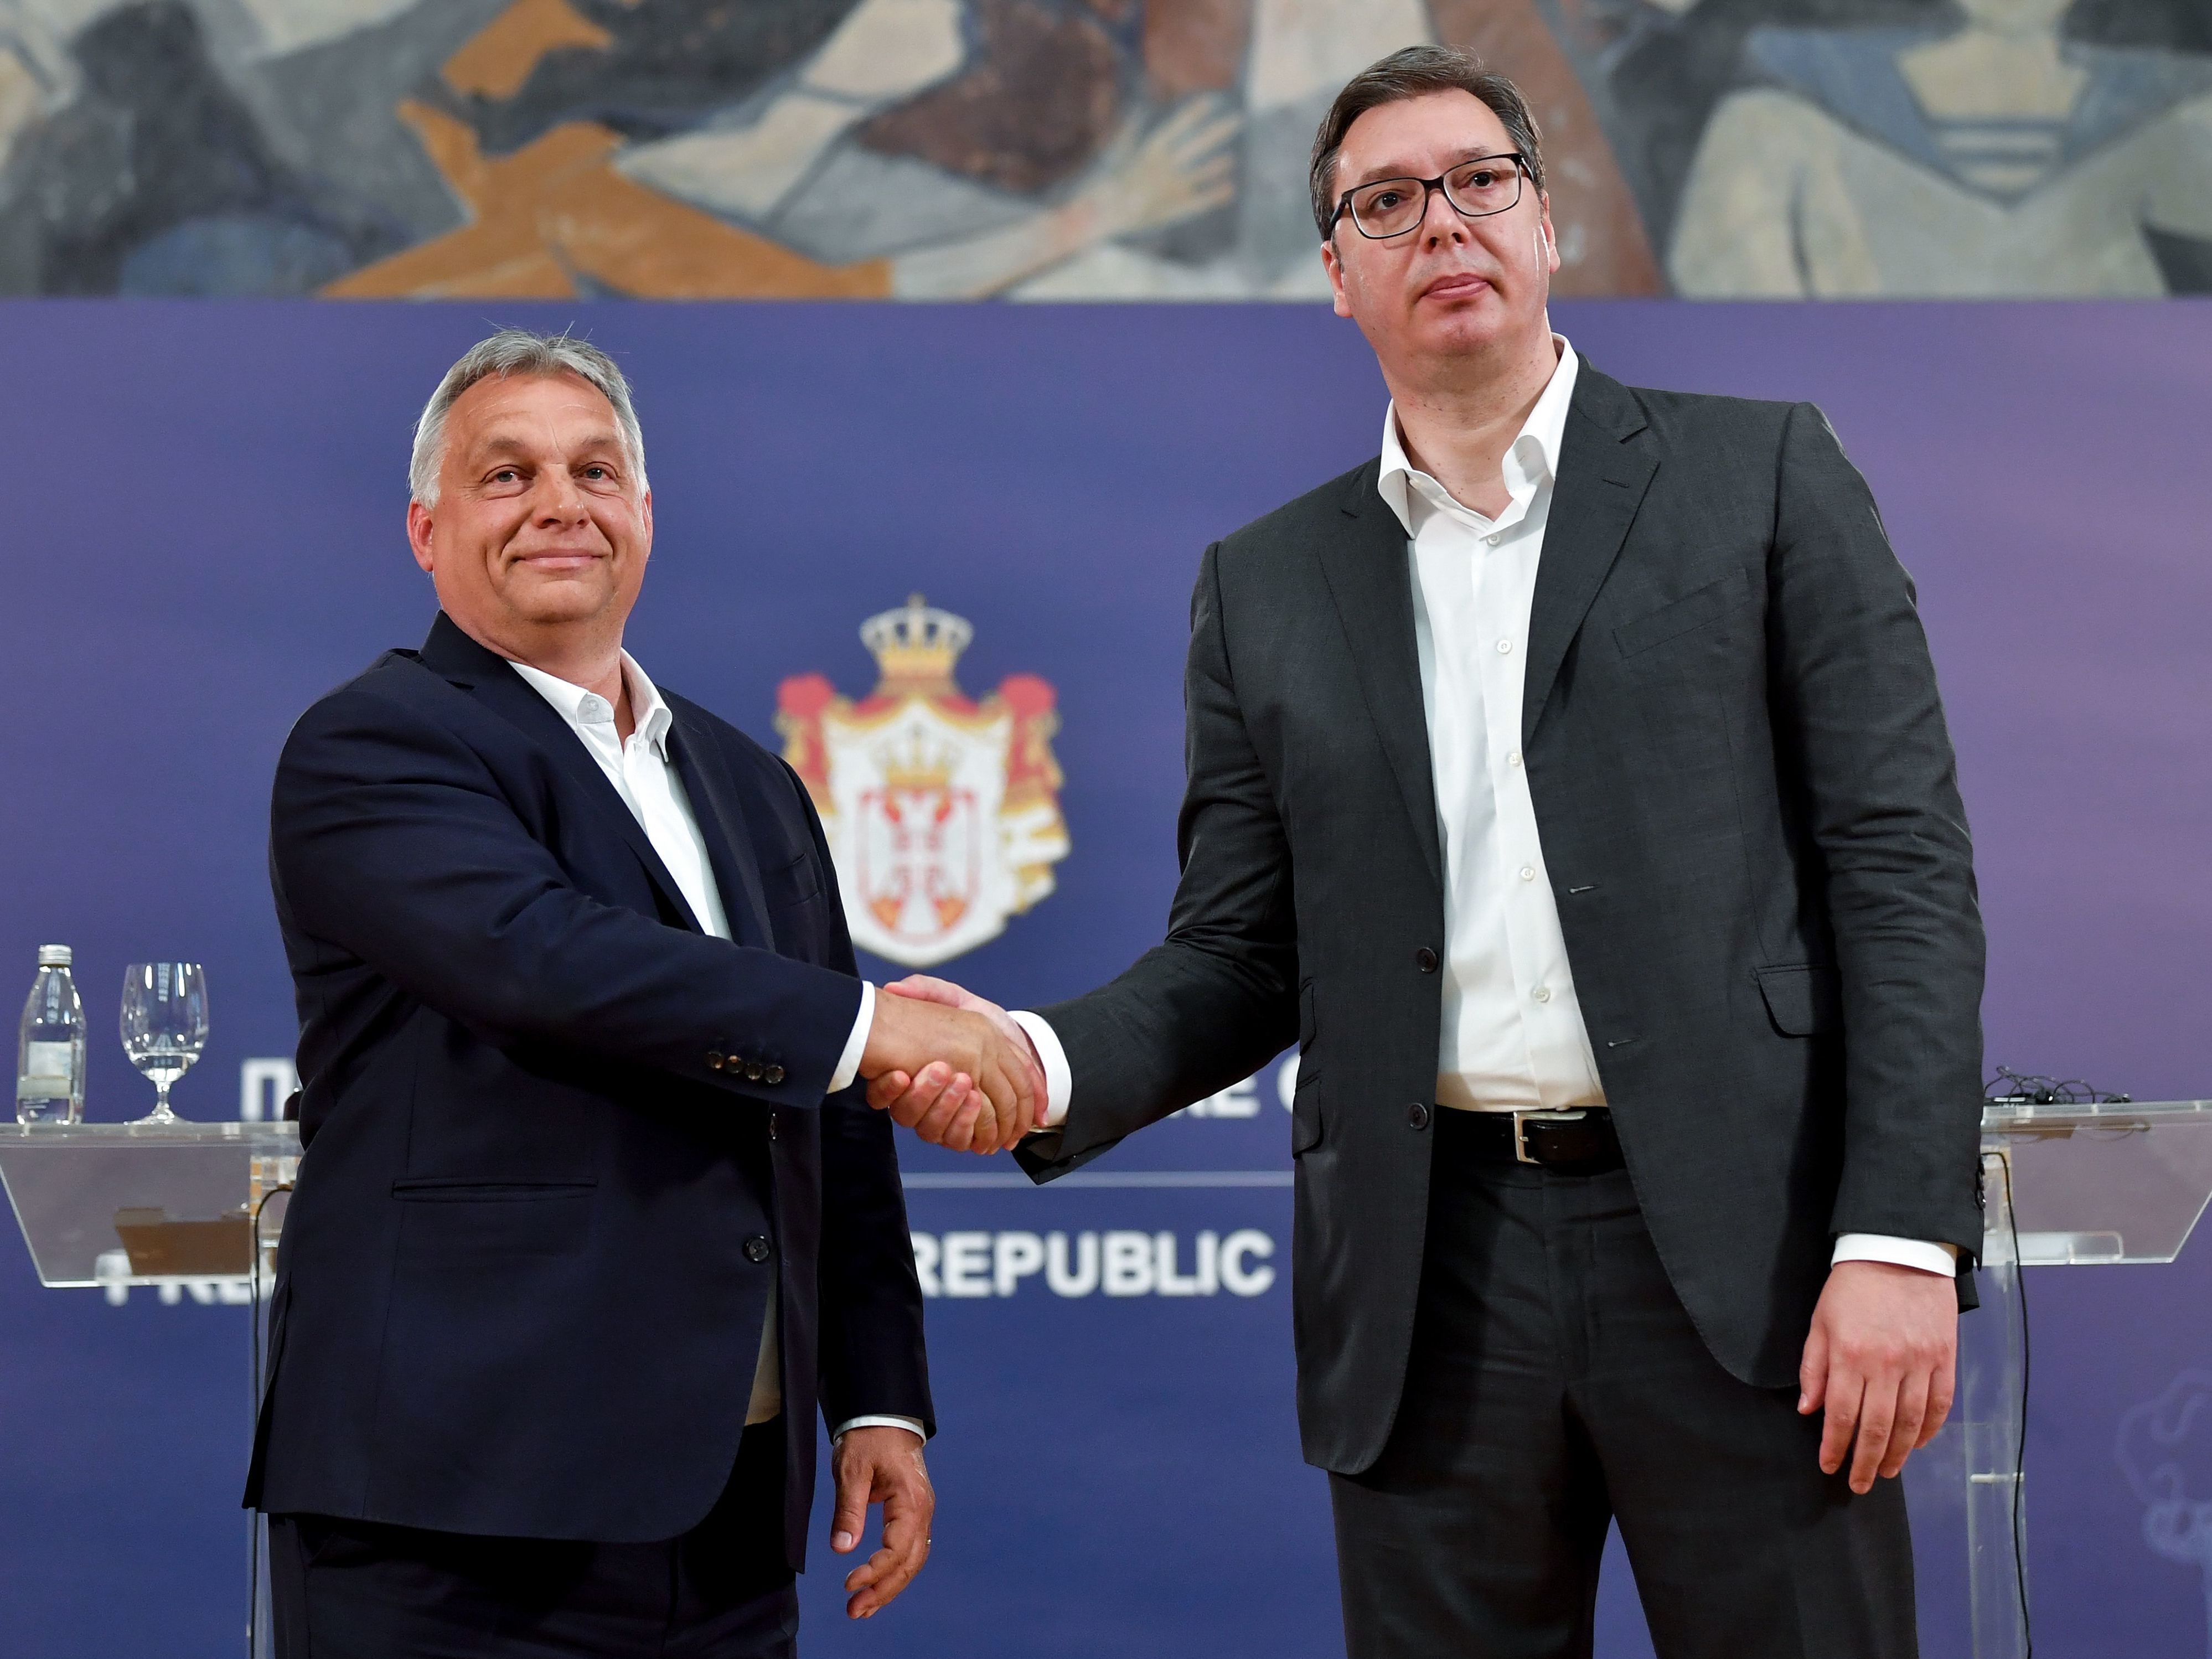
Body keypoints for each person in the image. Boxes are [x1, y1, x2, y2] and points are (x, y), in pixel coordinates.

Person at [869, 45, 1986, 1659]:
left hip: (1752, 1265)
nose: (1440, 223)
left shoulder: (1761, 476)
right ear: (1335, 273)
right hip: (1428, 1280)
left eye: (1478, 183)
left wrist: (1894, 1235)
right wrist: (1036, 1060)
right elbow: (1242, 951)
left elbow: (1898, 867)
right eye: (1384, 202)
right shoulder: (1262, 584)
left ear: (1547, 224)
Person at [247, 329, 1041, 1657]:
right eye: (508, 476)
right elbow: (545, 959)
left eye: (595, 469)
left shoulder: (750, 780)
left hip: (725, 1519)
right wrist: (875, 1024)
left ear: (646, 514)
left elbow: (829, 1103)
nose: (561, 501)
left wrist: (879, 1400)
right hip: (455, 1515)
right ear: (426, 530)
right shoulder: (372, 743)